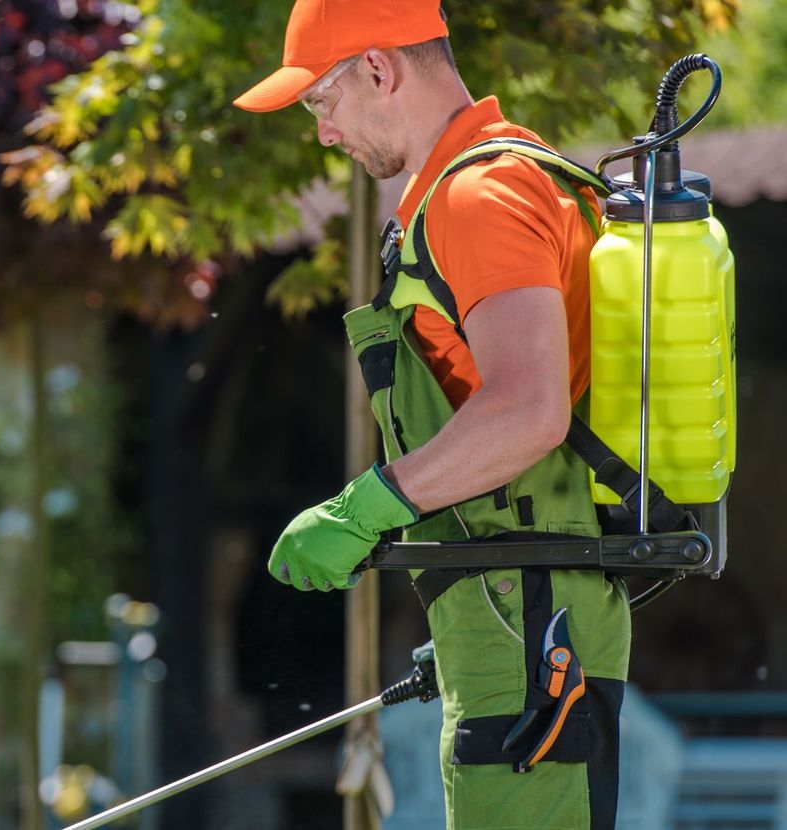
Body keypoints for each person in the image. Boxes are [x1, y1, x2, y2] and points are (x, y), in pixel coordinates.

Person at [234, 1, 630, 828]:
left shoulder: (477, 196)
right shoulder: (504, 175)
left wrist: (367, 504)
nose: (323, 133)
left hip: (530, 618)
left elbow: (528, 412)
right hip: (519, 606)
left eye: (320, 102)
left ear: (378, 70)